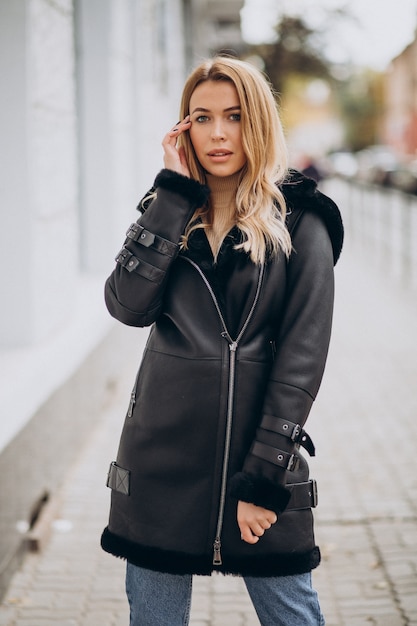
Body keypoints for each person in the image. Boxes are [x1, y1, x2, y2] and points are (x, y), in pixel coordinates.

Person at [101, 55, 343, 626]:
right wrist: (172, 194)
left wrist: (261, 479)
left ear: (256, 121)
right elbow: (126, 305)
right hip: (159, 467)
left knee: (293, 617)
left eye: (232, 116)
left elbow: (300, 363)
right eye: (201, 117)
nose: (216, 133)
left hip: (261, 462)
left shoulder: (303, 221)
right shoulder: (168, 212)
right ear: (183, 128)